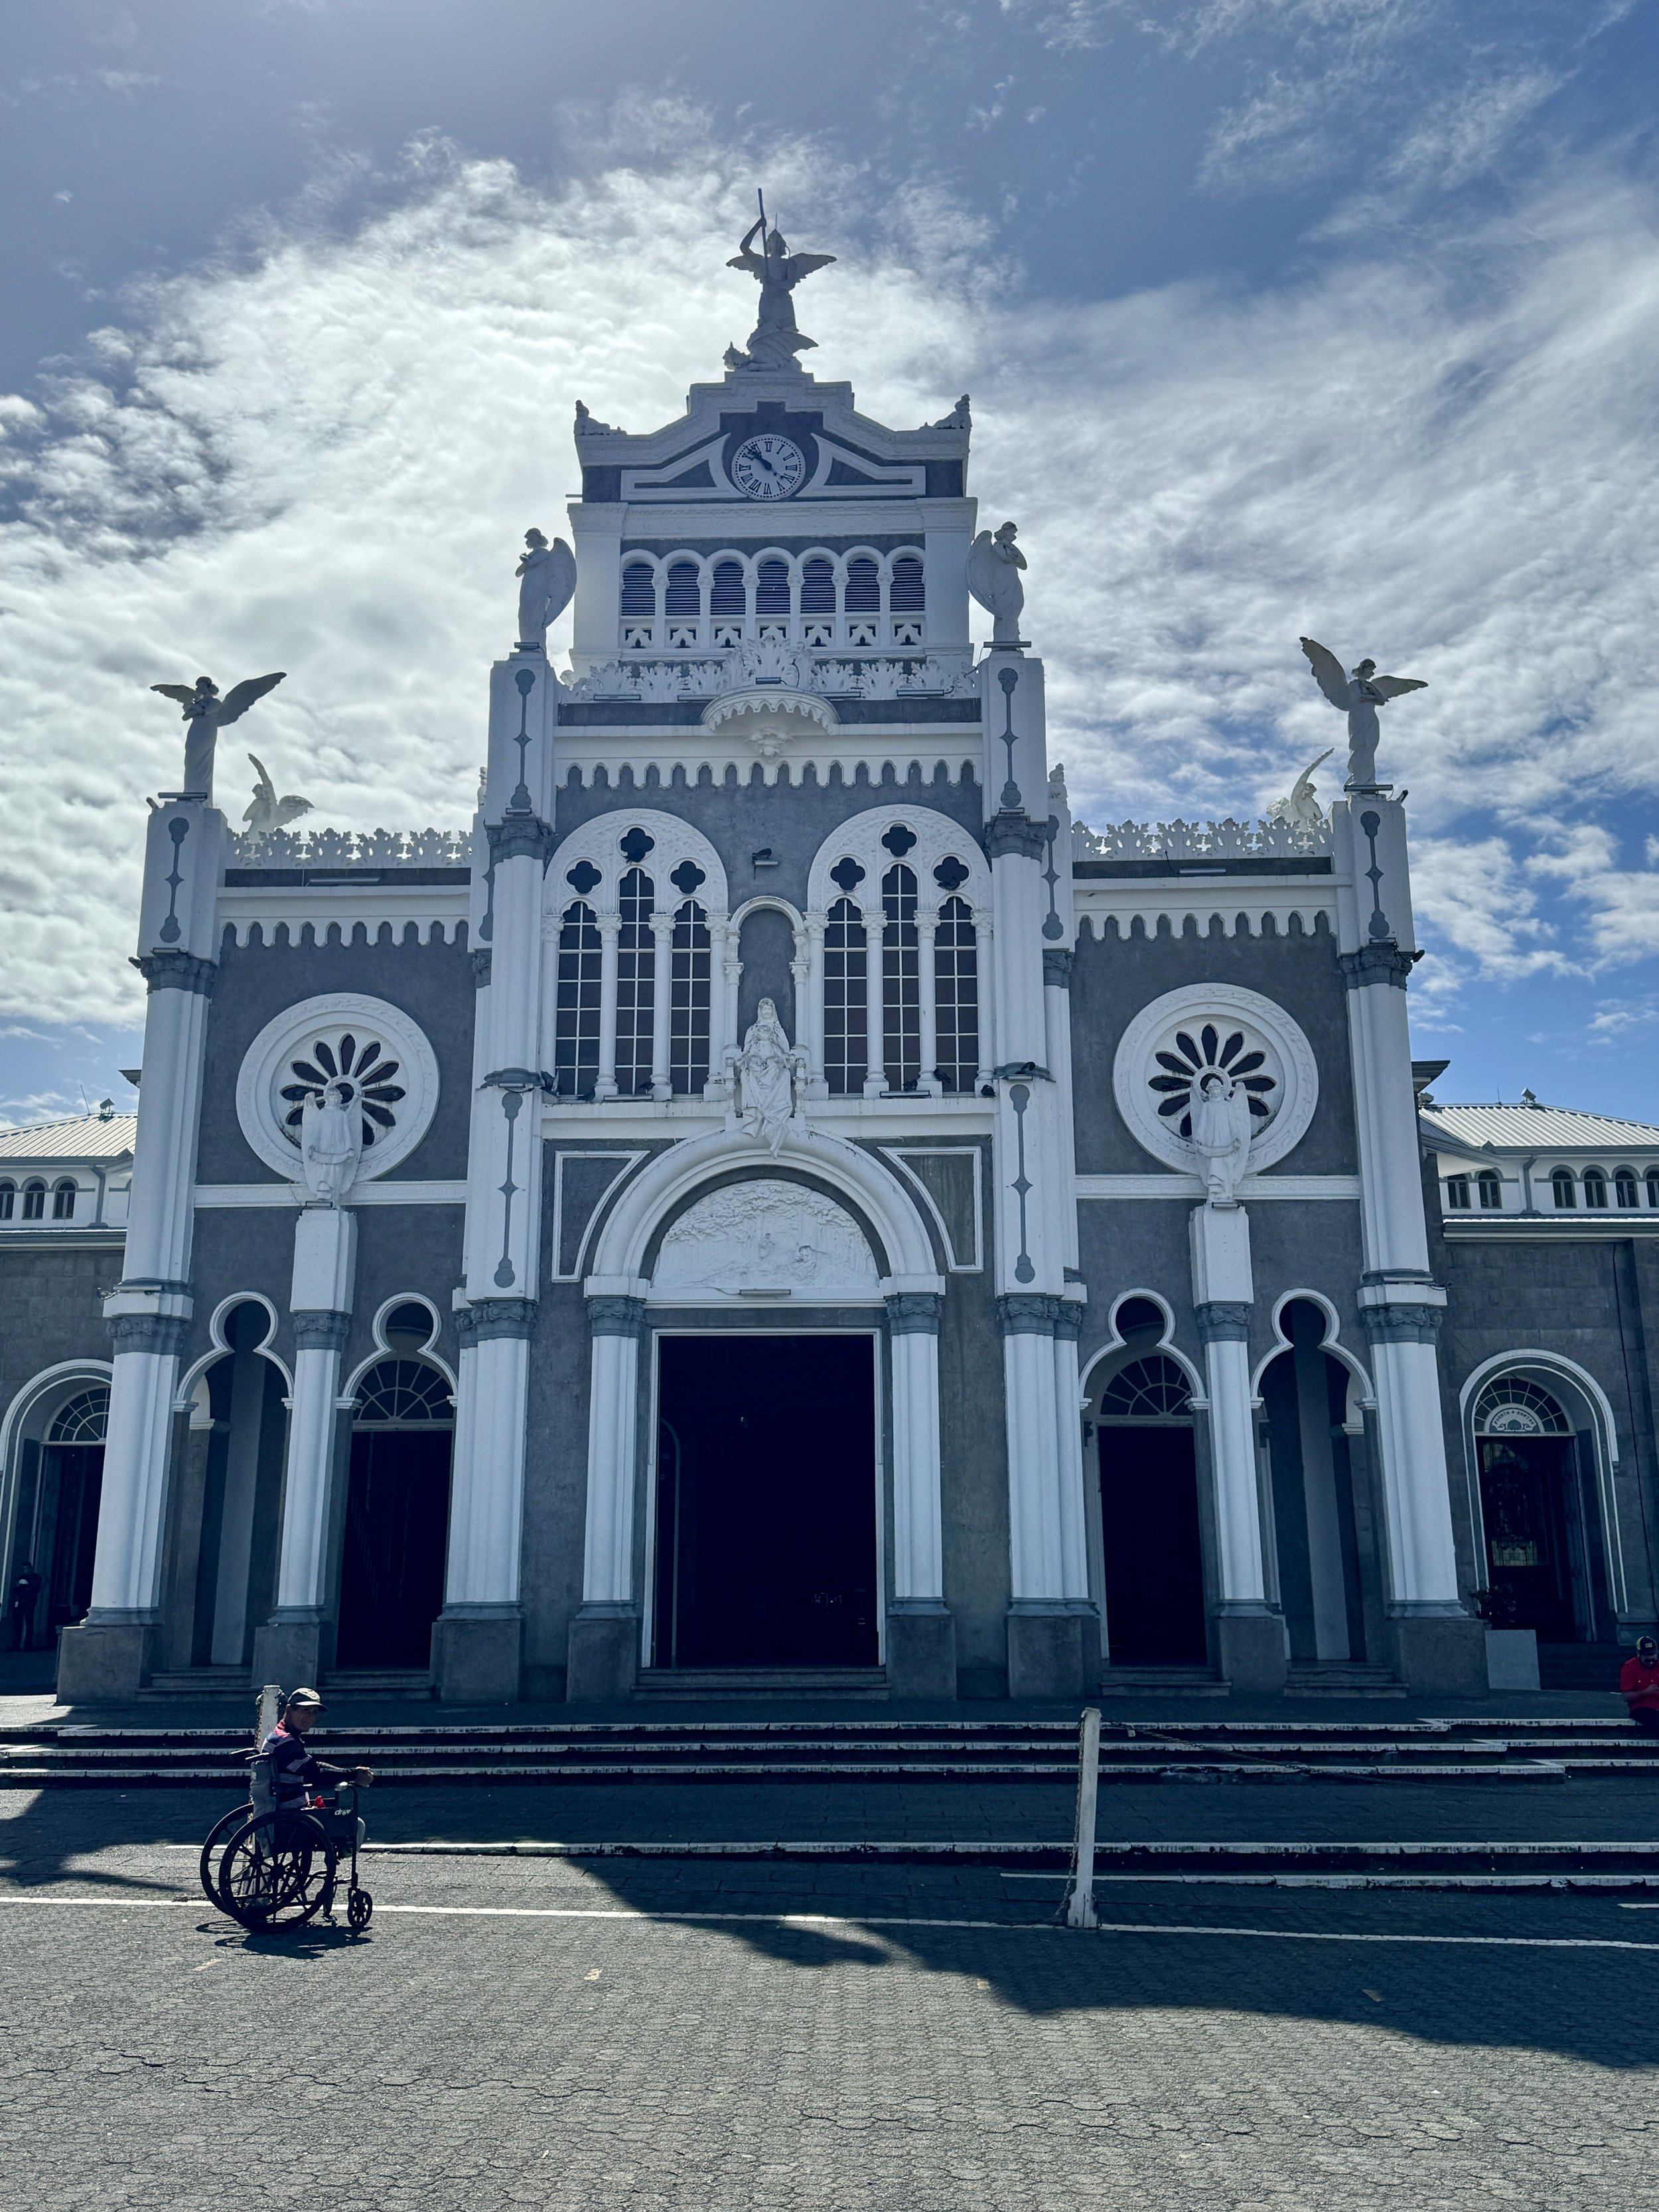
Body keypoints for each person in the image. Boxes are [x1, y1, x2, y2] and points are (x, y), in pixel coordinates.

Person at [259, 1688, 373, 1813]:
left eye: (314, 1712)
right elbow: (315, 1775)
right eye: (306, 1710)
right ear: (289, 1710)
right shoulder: (285, 1743)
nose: (310, 1717)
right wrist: (353, 1775)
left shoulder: (281, 1736)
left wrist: (350, 1773)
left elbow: (313, 1766)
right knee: (354, 1824)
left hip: (290, 1809)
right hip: (291, 1813)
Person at [1619, 1636, 1659, 1736]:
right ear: (1638, 1655)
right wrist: (1645, 1692)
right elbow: (1626, 1696)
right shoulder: (1629, 1668)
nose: (1651, 1663)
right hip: (1641, 1708)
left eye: (1653, 1660)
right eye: (1647, 1660)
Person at [9, 1560, 42, 1651]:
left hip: (29, 1603)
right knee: (17, 1623)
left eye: (28, 1568)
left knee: (29, 1624)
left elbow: (35, 1589)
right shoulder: (21, 1577)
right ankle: (16, 1644)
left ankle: (28, 1645)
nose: (27, 1571)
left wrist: (26, 1586)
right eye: (25, 1569)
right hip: (19, 1602)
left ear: (31, 1568)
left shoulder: (36, 1578)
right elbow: (15, 1590)